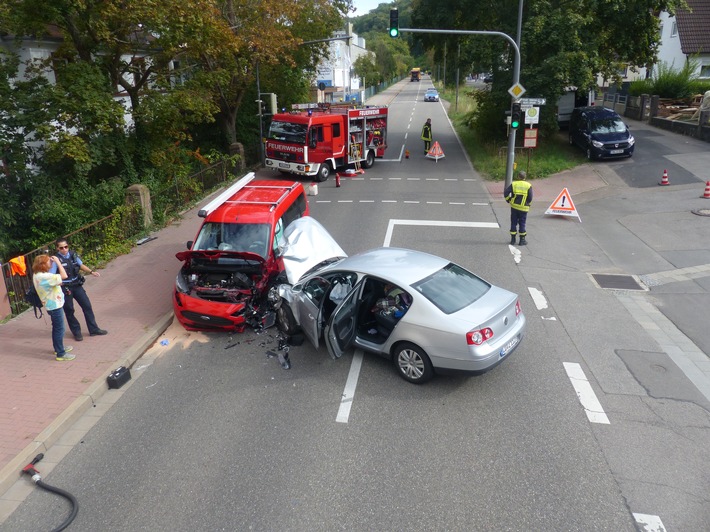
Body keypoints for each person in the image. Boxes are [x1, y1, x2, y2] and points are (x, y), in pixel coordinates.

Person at [50, 238, 108, 341]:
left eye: (66, 247)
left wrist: (91, 272)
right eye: (61, 248)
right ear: (57, 248)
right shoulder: (56, 260)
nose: (64, 249)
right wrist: (57, 283)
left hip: (76, 285)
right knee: (69, 310)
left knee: (87, 306)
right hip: (65, 287)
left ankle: (93, 329)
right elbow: (52, 275)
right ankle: (76, 332)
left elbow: (80, 265)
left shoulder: (73, 255)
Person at [33, 254, 74, 361]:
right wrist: (58, 262)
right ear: (42, 264)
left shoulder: (37, 274)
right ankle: (60, 353)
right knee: (60, 329)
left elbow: (56, 281)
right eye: (48, 262)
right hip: (54, 305)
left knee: (57, 328)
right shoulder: (44, 276)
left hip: (51, 304)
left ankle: (58, 348)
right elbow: (64, 276)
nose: (50, 263)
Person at [504, 170, 533, 245]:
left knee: (513, 222)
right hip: (523, 208)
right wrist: (528, 204)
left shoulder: (514, 184)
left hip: (514, 207)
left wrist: (509, 200)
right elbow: (530, 197)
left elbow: (506, 193)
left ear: (518, 176)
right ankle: (522, 240)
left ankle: (513, 240)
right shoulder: (528, 185)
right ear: (525, 177)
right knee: (522, 223)